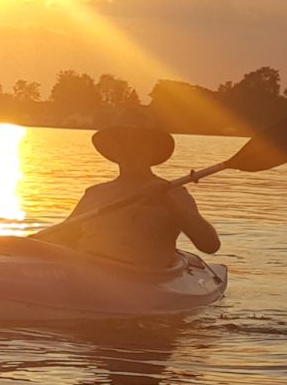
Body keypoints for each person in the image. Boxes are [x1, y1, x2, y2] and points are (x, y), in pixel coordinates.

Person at [35, 113, 219, 269]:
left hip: (144, 278)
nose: (131, 148)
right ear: (115, 149)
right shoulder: (95, 193)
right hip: (89, 273)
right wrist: (26, 245)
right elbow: (63, 236)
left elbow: (210, 245)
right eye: (123, 142)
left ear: (152, 149)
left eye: (140, 142)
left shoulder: (173, 193)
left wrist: (168, 203)